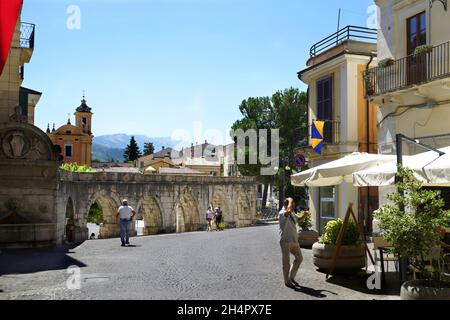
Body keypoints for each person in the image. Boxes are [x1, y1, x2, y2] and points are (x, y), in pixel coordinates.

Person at [279, 197, 309, 289]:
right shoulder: (282, 213)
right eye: (292, 204)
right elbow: (287, 212)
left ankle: (291, 277)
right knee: (286, 262)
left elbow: (298, 219)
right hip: (285, 241)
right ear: (286, 205)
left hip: (294, 241)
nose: (293, 206)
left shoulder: (292, 213)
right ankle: (287, 281)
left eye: (293, 204)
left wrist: (304, 215)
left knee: (299, 258)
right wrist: (290, 200)